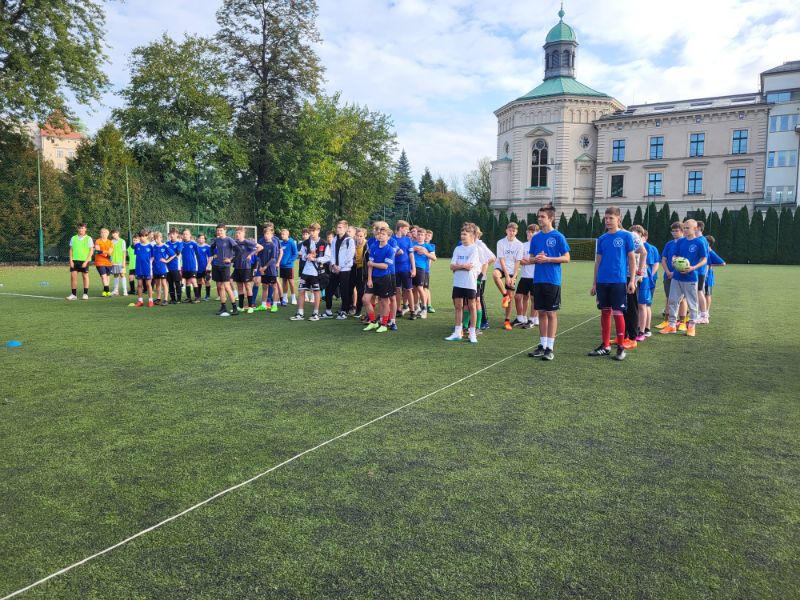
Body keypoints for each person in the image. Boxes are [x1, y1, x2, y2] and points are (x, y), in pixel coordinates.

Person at [589, 206, 636, 361]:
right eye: (606, 218)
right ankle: (605, 345)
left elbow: (631, 258)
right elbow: (598, 262)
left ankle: (621, 347)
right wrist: (594, 283)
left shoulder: (626, 236)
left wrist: (632, 280)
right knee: (605, 312)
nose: (608, 221)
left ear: (618, 218)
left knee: (618, 313)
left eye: (611, 218)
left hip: (618, 281)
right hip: (602, 281)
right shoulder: (602, 238)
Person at [527, 206, 570, 361]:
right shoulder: (536, 238)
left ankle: (550, 348)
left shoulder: (558, 236)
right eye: (538, 216)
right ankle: (542, 345)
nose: (539, 219)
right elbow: (530, 258)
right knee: (541, 313)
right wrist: (536, 259)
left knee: (551, 313)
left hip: (552, 280)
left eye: (542, 217)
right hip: (538, 279)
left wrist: (548, 259)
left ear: (551, 218)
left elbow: (567, 258)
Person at [660, 219, 707, 337]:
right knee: (672, 301)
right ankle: (671, 325)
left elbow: (704, 259)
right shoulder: (680, 241)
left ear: (695, 229)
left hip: (690, 277)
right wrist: (674, 260)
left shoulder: (699, 242)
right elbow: (675, 255)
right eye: (684, 228)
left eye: (687, 228)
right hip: (677, 276)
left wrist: (693, 267)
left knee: (692, 303)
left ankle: (691, 327)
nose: (685, 230)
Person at [445, 224, 481, 344]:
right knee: (458, 306)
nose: (462, 236)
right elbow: (451, 266)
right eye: (461, 234)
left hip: (470, 282)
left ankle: (472, 333)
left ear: (471, 236)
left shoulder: (474, 249)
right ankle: (457, 332)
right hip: (458, 282)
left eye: (465, 234)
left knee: (472, 306)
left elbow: (469, 267)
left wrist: (458, 266)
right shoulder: (457, 249)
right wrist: (462, 266)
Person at [291, 223, 329, 321]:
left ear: (318, 231)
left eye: (314, 231)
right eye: (310, 231)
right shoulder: (306, 242)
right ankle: (300, 313)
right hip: (306, 270)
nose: (312, 233)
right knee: (301, 291)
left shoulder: (324, 243)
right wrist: (306, 256)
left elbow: (328, 257)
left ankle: (315, 313)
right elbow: (301, 254)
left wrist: (316, 259)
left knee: (316, 291)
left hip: (317, 272)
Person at [363, 225, 395, 333]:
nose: (381, 236)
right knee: (365, 299)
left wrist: (372, 264)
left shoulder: (390, 250)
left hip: (384, 278)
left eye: (383, 234)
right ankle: (373, 322)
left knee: (384, 301)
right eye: (380, 234)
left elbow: (385, 266)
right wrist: (369, 279)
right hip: (373, 278)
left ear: (388, 237)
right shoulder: (374, 247)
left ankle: (384, 324)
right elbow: (369, 265)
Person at [493, 222, 524, 331]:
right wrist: (506, 276)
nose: (511, 232)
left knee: (511, 297)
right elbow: (501, 259)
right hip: (501, 268)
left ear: (516, 232)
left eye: (513, 231)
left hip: (512, 271)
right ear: (506, 231)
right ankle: (504, 295)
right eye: (510, 230)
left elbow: (518, 262)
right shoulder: (500, 242)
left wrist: (513, 277)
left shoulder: (520, 245)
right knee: (495, 274)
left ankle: (507, 321)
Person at [656, 222, 686, 330]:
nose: (674, 233)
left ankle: (682, 322)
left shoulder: (685, 243)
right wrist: (668, 272)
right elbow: (663, 259)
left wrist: (675, 272)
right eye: (672, 231)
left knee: (682, 299)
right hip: (668, 276)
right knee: (669, 298)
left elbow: (686, 261)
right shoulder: (669, 244)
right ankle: (666, 321)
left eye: (676, 230)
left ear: (682, 231)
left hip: (681, 276)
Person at [323, 219, 355, 319]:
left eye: (340, 227)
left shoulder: (349, 240)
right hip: (334, 269)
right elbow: (332, 253)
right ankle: (328, 311)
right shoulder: (335, 239)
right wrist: (333, 265)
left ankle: (344, 311)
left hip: (345, 270)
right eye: (337, 227)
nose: (337, 229)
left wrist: (340, 267)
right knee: (329, 289)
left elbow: (349, 256)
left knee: (344, 291)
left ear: (345, 228)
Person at [209, 224, 240, 316]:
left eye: (221, 230)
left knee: (227, 286)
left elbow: (238, 251)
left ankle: (234, 307)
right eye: (218, 230)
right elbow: (211, 248)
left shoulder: (229, 240)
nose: (219, 232)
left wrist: (231, 260)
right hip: (216, 265)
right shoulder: (216, 240)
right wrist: (213, 255)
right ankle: (223, 307)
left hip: (225, 266)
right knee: (220, 286)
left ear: (225, 231)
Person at [635, 229, 660, 341]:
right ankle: (640, 327)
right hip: (638, 278)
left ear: (644, 236)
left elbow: (653, 265)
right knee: (639, 304)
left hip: (646, 280)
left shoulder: (648, 247)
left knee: (645, 304)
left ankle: (646, 329)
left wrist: (650, 277)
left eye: (637, 235)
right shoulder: (634, 245)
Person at [230, 228, 262, 314]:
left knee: (248, 286)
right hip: (237, 267)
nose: (237, 234)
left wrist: (251, 254)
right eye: (236, 233)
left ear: (243, 233)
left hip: (246, 268)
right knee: (240, 287)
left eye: (239, 233)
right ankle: (241, 307)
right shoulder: (235, 243)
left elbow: (260, 247)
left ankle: (251, 307)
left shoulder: (247, 242)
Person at [514, 224, 539, 328]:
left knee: (534, 298)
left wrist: (529, 260)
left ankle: (532, 319)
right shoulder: (523, 245)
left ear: (537, 233)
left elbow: (538, 260)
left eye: (532, 232)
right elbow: (519, 260)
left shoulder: (539, 245)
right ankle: (521, 318)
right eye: (528, 232)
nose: (529, 234)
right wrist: (532, 260)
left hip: (535, 276)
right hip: (524, 276)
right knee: (518, 296)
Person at [392, 220, 416, 318]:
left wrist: (413, 268)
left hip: (406, 268)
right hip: (394, 269)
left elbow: (411, 255)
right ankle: (398, 309)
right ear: (400, 228)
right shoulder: (391, 239)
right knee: (397, 290)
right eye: (406, 229)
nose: (407, 231)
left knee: (408, 290)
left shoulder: (408, 240)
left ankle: (412, 311)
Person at [257, 223, 282, 313]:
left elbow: (273, 259)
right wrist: (260, 267)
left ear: (272, 235)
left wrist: (265, 267)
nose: (266, 235)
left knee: (274, 286)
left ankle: (274, 305)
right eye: (265, 233)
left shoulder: (273, 245)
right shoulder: (262, 244)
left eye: (268, 234)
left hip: (271, 269)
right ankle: (263, 305)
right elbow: (259, 257)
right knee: (264, 287)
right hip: (263, 269)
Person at [411, 227, 435, 319]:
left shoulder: (427, 246)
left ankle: (424, 308)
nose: (420, 236)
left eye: (422, 235)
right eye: (419, 235)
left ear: (425, 236)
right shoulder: (412, 244)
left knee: (420, 288)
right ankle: (417, 307)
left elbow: (434, 258)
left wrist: (425, 252)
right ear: (416, 236)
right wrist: (413, 249)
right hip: (411, 268)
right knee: (414, 289)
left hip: (421, 268)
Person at [702, 235, 726, 321]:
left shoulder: (710, 252)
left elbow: (723, 263)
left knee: (707, 294)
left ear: (708, 243)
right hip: (701, 276)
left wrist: (710, 264)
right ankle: (702, 311)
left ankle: (707, 311)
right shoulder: (703, 251)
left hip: (708, 277)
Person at [67, 223, 93, 300]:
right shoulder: (73, 238)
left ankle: (85, 294)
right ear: (77, 229)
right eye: (79, 228)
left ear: (85, 229)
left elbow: (91, 251)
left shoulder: (89, 238)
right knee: (73, 276)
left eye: (82, 228)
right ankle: (73, 294)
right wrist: (71, 260)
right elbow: (71, 250)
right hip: (75, 260)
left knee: (85, 276)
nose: (81, 230)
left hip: (84, 260)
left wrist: (86, 261)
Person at [152, 231, 175, 306]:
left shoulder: (165, 246)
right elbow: (152, 256)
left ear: (161, 238)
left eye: (157, 238)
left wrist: (166, 261)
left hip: (163, 268)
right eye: (155, 239)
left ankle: (165, 300)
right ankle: (158, 299)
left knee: (164, 283)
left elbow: (173, 254)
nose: (156, 240)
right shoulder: (154, 247)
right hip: (155, 268)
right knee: (157, 284)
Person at [133, 230, 154, 307]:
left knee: (148, 284)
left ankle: (150, 301)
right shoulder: (137, 246)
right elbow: (137, 255)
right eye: (141, 236)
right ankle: (140, 301)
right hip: (139, 268)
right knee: (139, 284)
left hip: (147, 268)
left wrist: (149, 264)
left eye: (144, 236)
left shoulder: (150, 246)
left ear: (147, 236)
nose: (142, 238)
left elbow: (152, 257)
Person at [180, 229, 201, 304]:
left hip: (192, 266)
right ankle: (188, 298)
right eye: (184, 234)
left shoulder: (194, 244)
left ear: (190, 235)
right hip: (185, 266)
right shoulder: (181, 244)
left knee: (193, 280)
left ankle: (197, 297)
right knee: (187, 282)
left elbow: (198, 254)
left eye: (186, 234)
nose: (185, 235)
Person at [279, 228, 298, 306]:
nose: (282, 235)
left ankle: (293, 298)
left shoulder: (291, 242)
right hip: (282, 266)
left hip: (289, 266)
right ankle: (285, 298)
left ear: (288, 234)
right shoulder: (281, 243)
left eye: (283, 234)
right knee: (284, 281)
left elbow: (295, 254)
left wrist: (289, 261)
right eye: (281, 234)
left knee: (291, 282)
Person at [94, 227, 114, 297]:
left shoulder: (110, 242)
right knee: (103, 276)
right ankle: (108, 291)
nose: (104, 234)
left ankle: (105, 291)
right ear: (100, 234)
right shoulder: (97, 241)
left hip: (108, 262)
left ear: (108, 234)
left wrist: (103, 252)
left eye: (105, 233)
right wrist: (105, 252)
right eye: (102, 232)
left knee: (107, 277)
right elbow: (97, 251)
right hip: (99, 262)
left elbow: (110, 252)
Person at [165, 228, 183, 304]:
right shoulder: (167, 243)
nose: (172, 235)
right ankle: (173, 299)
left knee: (177, 283)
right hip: (168, 267)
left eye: (173, 234)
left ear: (177, 234)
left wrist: (171, 254)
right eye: (171, 234)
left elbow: (178, 253)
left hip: (176, 267)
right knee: (170, 283)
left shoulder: (179, 243)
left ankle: (178, 299)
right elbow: (165, 253)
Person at [352, 227, 367, 317]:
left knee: (361, 290)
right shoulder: (353, 244)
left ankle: (359, 310)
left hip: (363, 269)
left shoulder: (367, 245)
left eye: (361, 236)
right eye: (357, 236)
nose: (359, 238)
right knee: (353, 288)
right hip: (354, 268)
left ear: (365, 236)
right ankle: (350, 307)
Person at [110, 228, 127, 296]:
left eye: (115, 233)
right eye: (112, 233)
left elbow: (124, 252)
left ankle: (125, 290)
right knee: (115, 275)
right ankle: (116, 290)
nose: (113, 235)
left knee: (122, 275)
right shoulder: (111, 242)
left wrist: (123, 261)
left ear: (118, 233)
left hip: (120, 261)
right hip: (113, 262)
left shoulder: (122, 241)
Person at [196, 234, 213, 301]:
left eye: (202, 238)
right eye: (199, 238)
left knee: (207, 281)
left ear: (205, 239)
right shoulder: (196, 246)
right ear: (198, 239)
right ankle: (199, 296)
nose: (201, 239)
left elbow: (210, 257)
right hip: (198, 267)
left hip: (206, 267)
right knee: (198, 281)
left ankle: (207, 295)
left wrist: (208, 265)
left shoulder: (207, 247)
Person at [424, 229, 437, 313]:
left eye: (429, 236)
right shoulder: (419, 244)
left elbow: (432, 258)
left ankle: (429, 305)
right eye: (426, 235)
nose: (427, 237)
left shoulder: (431, 246)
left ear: (431, 238)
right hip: (419, 268)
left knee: (426, 288)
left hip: (426, 270)